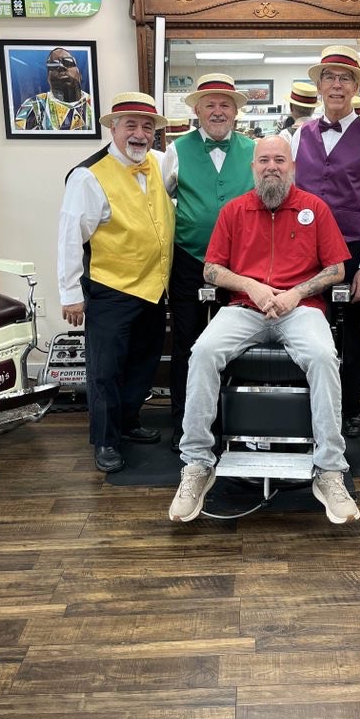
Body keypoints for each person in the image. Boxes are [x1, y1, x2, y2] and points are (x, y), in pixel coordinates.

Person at [168, 136, 359, 525]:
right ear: (252, 168)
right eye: (264, 161)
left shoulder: (314, 208)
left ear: (293, 167)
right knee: (201, 353)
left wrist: (295, 294)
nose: (272, 166)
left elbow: (338, 269)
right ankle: (197, 464)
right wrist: (251, 286)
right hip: (244, 308)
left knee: (324, 357)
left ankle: (329, 471)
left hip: (300, 309)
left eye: (280, 160)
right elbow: (210, 270)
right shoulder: (234, 211)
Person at [57, 92, 174, 473]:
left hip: (154, 288)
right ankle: (106, 440)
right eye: (131, 126)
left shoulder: (157, 162)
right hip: (111, 289)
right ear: (112, 128)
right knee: (105, 369)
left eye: (147, 127)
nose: (139, 134)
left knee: (143, 363)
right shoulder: (88, 176)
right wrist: (71, 295)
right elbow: (69, 236)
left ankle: (129, 422)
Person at [292, 45, 360, 439]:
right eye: (329, 77)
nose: (336, 84)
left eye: (344, 78)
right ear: (318, 86)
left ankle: (350, 408)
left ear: (355, 89)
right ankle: (305, 407)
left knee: (348, 333)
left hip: (348, 251)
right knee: (304, 329)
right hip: (304, 251)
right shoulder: (299, 135)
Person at [161, 73, 255, 453]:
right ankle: (186, 424)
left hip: (239, 264)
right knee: (187, 343)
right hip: (188, 260)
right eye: (210, 104)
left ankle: (233, 418)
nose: (218, 111)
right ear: (197, 110)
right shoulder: (176, 150)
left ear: (235, 112)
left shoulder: (254, 149)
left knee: (235, 342)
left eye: (225, 104)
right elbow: (162, 198)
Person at [16, 47, 93, 131]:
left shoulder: (94, 105)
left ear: (80, 74)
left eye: (68, 62)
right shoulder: (33, 106)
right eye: (53, 65)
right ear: (48, 78)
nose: (61, 67)